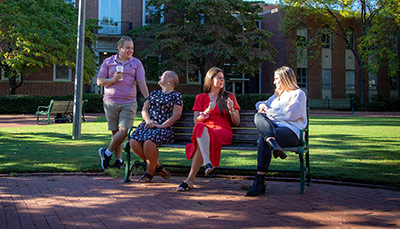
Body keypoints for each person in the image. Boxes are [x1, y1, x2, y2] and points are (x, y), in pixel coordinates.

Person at [246, 66, 307, 197]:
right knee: (258, 116)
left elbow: (290, 115)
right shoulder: (277, 95)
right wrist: (261, 105)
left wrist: (269, 111)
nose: (274, 82)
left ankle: (259, 182)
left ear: (285, 79)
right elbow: (260, 104)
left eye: (276, 79)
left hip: (291, 132)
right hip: (275, 131)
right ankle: (273, 144)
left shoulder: (298, 94)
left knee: (264, 137)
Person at [177, 67, 241, 192]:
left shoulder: (229, 97)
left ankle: (190, 179)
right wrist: (207, 111)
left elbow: (237, 122)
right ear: (210, 80)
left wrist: (231, 110)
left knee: (201, 139)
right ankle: (206, 163)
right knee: (200, 127)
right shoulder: (201, 97)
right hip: (205, 131)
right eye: (219, 78)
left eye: (223, 78)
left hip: (223, 131)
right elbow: (196, 121)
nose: (222, 81)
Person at [97, 36, 149, 170]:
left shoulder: (136, 63)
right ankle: (119, 160)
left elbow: (141, 82)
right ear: (119, 48)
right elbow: (99, 81)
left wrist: (148, 98)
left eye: (132, 48)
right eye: (127, 48)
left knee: (124, 131)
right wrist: (113, 79)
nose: (130, 50)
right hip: (110, 102)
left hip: (129, 102)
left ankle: (106, 153)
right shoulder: (108, 62)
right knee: (115, 133)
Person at [129, 70, 183, 182]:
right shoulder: (153, 94)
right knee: (133, 141)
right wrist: (148, 121)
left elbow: (176, 115)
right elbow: (144, 109)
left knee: (149, 142)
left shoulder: (176, 96)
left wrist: (163, 126)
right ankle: (158, 166)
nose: (160, 76)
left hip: (164, 127)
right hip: (148, 125)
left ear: (170, 79)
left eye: (163, 75)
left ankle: (149, 174)